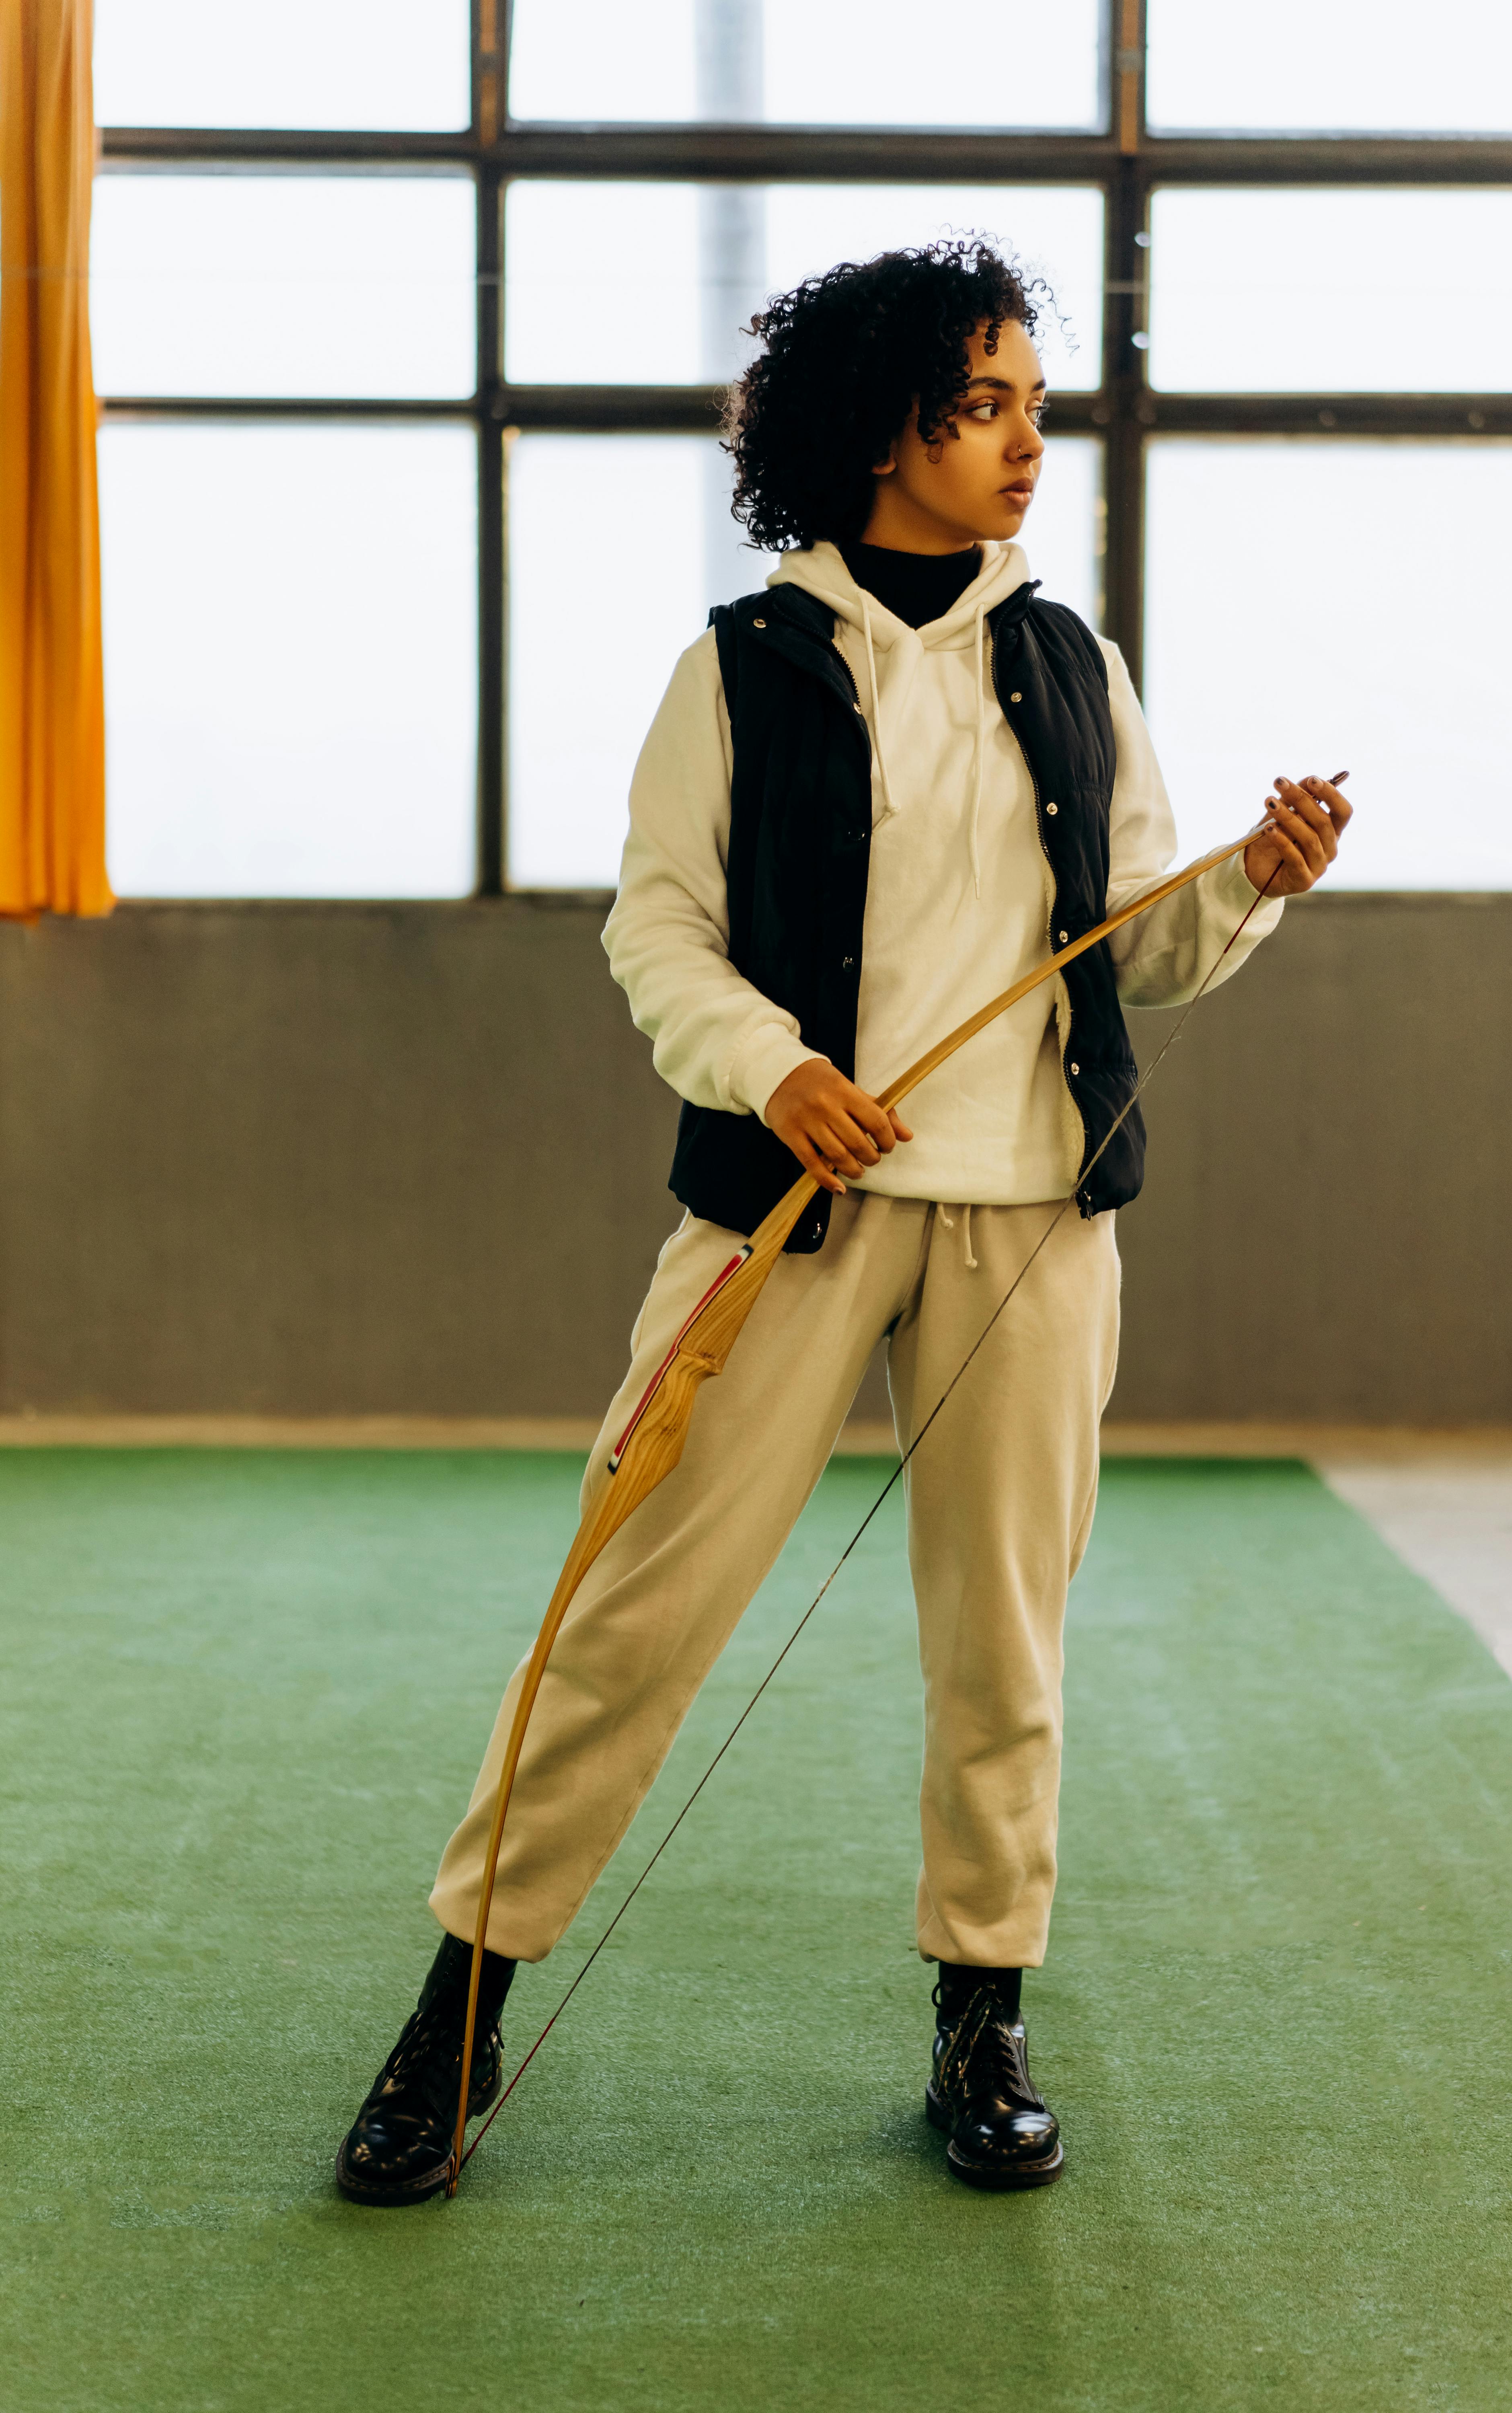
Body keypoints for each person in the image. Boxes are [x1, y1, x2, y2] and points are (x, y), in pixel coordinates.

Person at [335, 238, 1351, 2207]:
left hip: (1033, 1223)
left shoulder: (1074, 667)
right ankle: (456, 2015)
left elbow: (1139, 952)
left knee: (1003, 1646)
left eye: (1033, 405)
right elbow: (657, 932)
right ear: (882, 429)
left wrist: (1255, 882)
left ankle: (982, 2021)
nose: (1027, 442)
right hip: (785, 1212)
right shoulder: (736, 666)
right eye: (985, 406)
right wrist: (772, 1066)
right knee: (627, 1609)